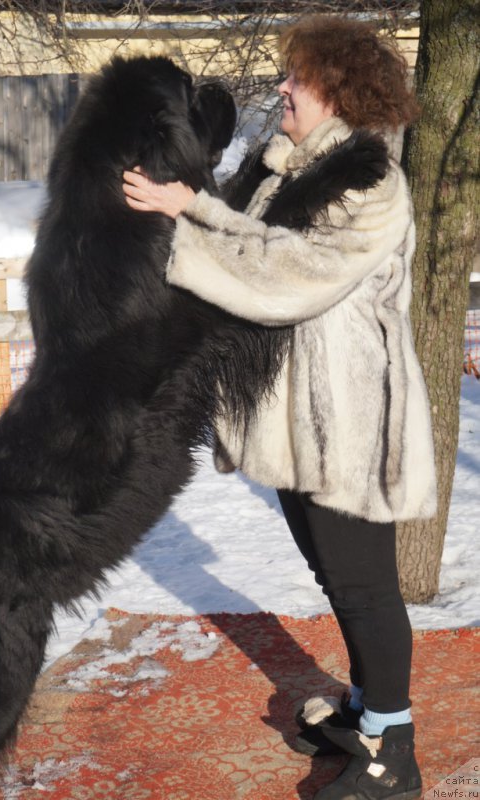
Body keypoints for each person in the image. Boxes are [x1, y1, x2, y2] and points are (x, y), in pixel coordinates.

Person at [123, 15, 436, 800]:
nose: (282, 89)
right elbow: (251, 237)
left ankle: (390, 754)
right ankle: (368, 712)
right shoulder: (288, 168)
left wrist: (181, 230)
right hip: (297, 418)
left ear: (333, 87)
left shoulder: (369, 181)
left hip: (347, 421)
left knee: (364, 586)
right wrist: (190, 206)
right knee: (334, 576)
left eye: (295, 78)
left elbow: (287, 274)